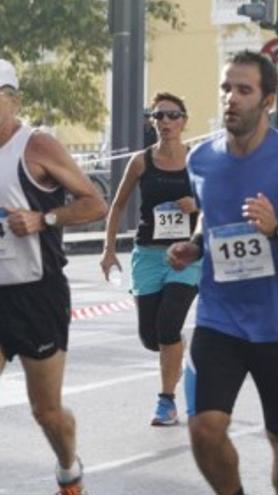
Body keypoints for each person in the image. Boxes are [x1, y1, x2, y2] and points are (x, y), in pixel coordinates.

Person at [167, 50, 278, 495]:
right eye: (225, 88)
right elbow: (210, 219)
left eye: (243, 90)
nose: (231, 98)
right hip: (221, 319)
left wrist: (276, 229)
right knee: (203, 429)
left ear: (268, 100)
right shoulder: (201, 159)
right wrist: (194, 246)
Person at [0, 58, 108, 495]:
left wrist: (43, 219)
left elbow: (94, 203)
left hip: (36, 293)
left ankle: (68, 466)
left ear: (11, 100)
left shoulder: (36, 146)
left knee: (46, 411)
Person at [100, 92, 200, 426]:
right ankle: (174, 349)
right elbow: (117, 205)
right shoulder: (141, 161)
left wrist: (197, 206)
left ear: (184, 121)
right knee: (151, 336)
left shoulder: (197, 161)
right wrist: (108, 250)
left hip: (186, 256)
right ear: (152, 122)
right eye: (159, 116)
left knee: (168, 325)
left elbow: (218, 202)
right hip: (148, 253)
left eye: (173, 116)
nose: (166, 122)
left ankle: (167, 401)